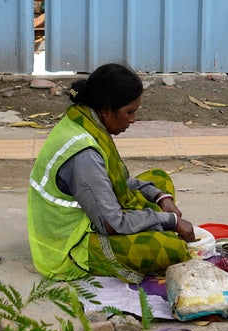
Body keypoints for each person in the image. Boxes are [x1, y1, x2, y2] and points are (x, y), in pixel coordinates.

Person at [27, 63, 196, 284]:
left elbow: (121, 181)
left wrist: (159, 197)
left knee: (159, 180)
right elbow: (111, 224)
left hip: (94, 213)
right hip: (72, 242)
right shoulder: (84, 154)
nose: (133, 119)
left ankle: (154, 216)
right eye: (129, 112)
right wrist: (170, 221)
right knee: (170, 249)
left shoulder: (85, 119)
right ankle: (154, 232)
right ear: (106, 110)